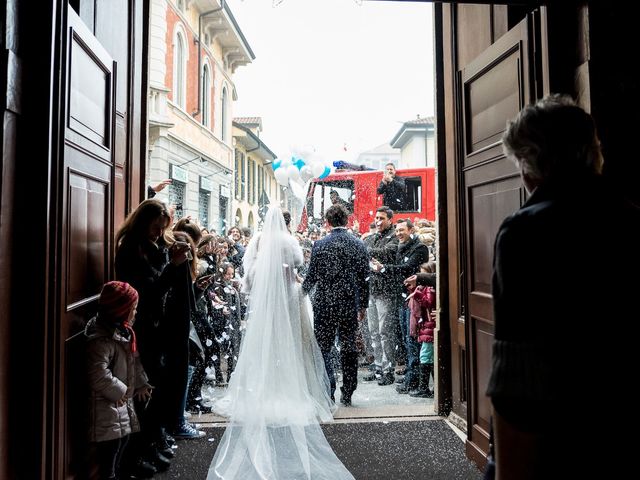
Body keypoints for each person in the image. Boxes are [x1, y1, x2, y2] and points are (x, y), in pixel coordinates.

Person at [486, 94, 640, 479]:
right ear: (593, 152)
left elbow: (517, 376)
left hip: (557, 433)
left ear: (529, 163)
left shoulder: (525, 231)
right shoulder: (633, 219)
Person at [208, 207, 354, 480]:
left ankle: (264, 383)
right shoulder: (289, 242)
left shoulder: (258, 240)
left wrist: (257, 285)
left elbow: (248, 270)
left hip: (266, 300)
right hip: (286, 296)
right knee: (291, 342)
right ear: (285, 223)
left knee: (265, 341)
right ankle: (292, 383)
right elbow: (298, 263)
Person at [302, 204, 370, 407]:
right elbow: (364, 278)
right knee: (349, 347)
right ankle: (348, 391)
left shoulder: (320, 244)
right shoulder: (358, 244)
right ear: (347, 220)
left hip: (324, 303)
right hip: (349, 303)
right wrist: (363, 305)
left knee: (324, 347)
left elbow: (312, 275)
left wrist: (300, 293)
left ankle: (328, 389)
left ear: (328, 222)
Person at [85, 281, 152, 480]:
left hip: (121, 404)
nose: (136, 313)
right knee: (110, 451)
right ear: (121, 310)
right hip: (106, 407)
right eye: (133, 309)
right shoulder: (101, 340)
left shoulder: (123, 332)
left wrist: (141, 383)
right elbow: (99, 375)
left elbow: (134, 360)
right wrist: (121, 391)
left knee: (123, 442)